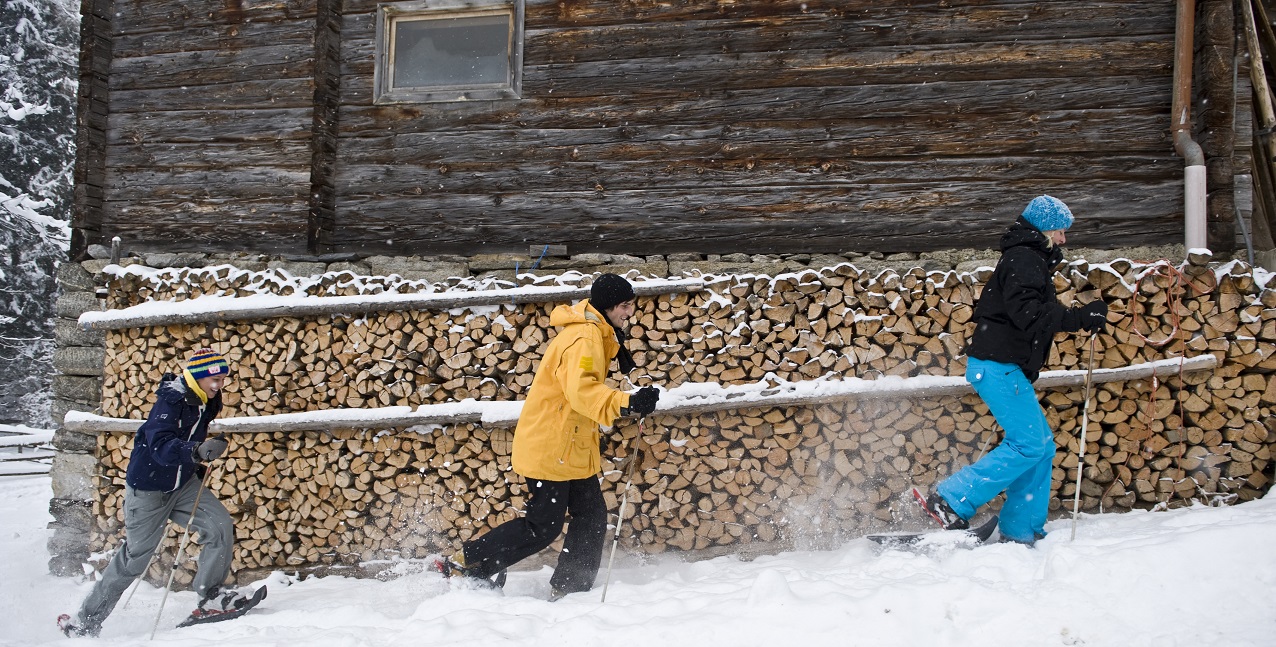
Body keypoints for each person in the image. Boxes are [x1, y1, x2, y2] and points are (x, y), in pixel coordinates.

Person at [436, 273, 660, 600]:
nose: (629, 312)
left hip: (571, 449)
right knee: (543, 528)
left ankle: (570, 588)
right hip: (552, 447)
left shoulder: (595, 333)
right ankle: (467, 563)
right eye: (625, 306)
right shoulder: (584, 338)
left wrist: (626, 397)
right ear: (610, 305)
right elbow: (581, 392)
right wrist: (626, 403)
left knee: (591, 515)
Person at [919, 195, 1108, 545]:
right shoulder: (1023, 259)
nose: (1064, 239)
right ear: (1044, 228)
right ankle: (949, 499)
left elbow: (1029, 313)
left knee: (1042, 446)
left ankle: (1022, 529)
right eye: (1061, 231)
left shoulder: (1030, 259)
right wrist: (1080, 318)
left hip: (1004, 367)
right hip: (996, 367)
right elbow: (1029, 315)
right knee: (1029, 445)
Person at [59, 348, 254, 636]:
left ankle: (209, 596)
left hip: (182, 484)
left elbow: (193, 435)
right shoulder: (171, 401)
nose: (220, 385)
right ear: (198, 377)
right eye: (215, 379)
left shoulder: (207, 400)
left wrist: (196, 460)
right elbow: (159, 444)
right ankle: (84, 621)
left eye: (223, 378)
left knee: (220, 526)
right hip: (149, 489)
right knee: (134, 559)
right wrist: (196, 451)